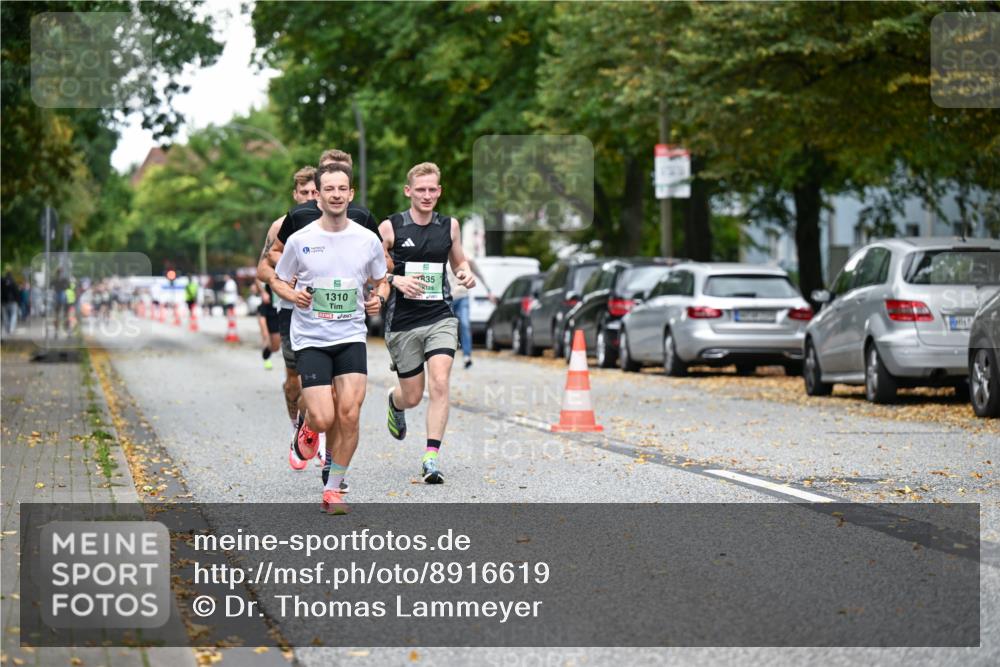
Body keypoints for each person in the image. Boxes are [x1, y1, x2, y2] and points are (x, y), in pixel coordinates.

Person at [272, 162, 388, 514]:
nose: (336, 195)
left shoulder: (367, 240)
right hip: (311, 338)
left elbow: (381, 280)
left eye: (342, 189)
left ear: (350, 195)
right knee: (324, 418)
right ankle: (307, 427)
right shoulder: (300, 240)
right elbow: (278, 279)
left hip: (351, 335)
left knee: (350, 413)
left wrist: (378, 297)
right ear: (318, 196)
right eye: (329, 190)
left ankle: (333, 488)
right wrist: (292, 296)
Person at [379, 162, 476, 485]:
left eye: (433, 189)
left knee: (440, 382)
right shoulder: (390, 228)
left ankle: (431, 457)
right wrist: (395, 280)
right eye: (420, 189)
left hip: (439, 317)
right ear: (409, 191)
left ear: (439, 191)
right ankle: (395, 402)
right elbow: (370, 270)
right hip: (403, 321)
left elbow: (458, 259)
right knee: (412, 395)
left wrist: (464, 271)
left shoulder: (449, 226)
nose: (427, 195)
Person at [448, 259, 494, 369]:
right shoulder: (442, 253)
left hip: (462, 296)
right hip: (448, 297)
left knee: (465, 324)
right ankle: (445, 357)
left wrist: (489, 291)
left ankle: (467, 356)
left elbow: (479, 274)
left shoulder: (466, 258)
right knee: (447, 327)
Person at [256, 281, 280, 370]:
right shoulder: (269, 267)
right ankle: (266, 359)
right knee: (266, 336)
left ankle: (267, 353)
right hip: (266, 308)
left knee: (276, 347)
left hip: (277, 310)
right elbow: (257, 278)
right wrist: (263, 292)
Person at [2, 269, 20, 335]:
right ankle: (11, 329)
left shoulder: (2, 282)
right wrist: (18, 301)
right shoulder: (14, 282)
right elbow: (17, 292)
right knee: (14, 315)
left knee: (5, 316)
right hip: (13, 302)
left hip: (3, 302)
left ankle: (7, 329)